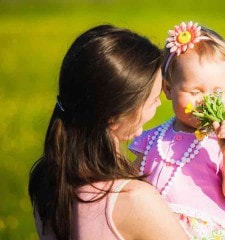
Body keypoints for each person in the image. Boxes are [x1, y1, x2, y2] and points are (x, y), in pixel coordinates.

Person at [28, 24, 189, 240]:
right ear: (114, 118)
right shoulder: (135, 200)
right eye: (152, 99)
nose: (159, 103)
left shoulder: (47, 181)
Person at [129, 21, 225, 239]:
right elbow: (131, 184)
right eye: (195, 92)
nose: (206, 101)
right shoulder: (153, 139)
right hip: (154, 230)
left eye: (217, 91)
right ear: (168, 89)